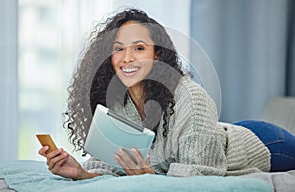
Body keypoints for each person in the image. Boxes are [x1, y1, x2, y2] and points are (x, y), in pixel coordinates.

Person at [38, 8, 295, 180]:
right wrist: (80, 173)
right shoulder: (118, 102)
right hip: (217, 134)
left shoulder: (190, 98)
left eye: (139, 48)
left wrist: (148, 176)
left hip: (265, 143)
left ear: (157, 55)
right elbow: (111, 166)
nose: (127, 58)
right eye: (119, 49)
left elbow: (204, 174)